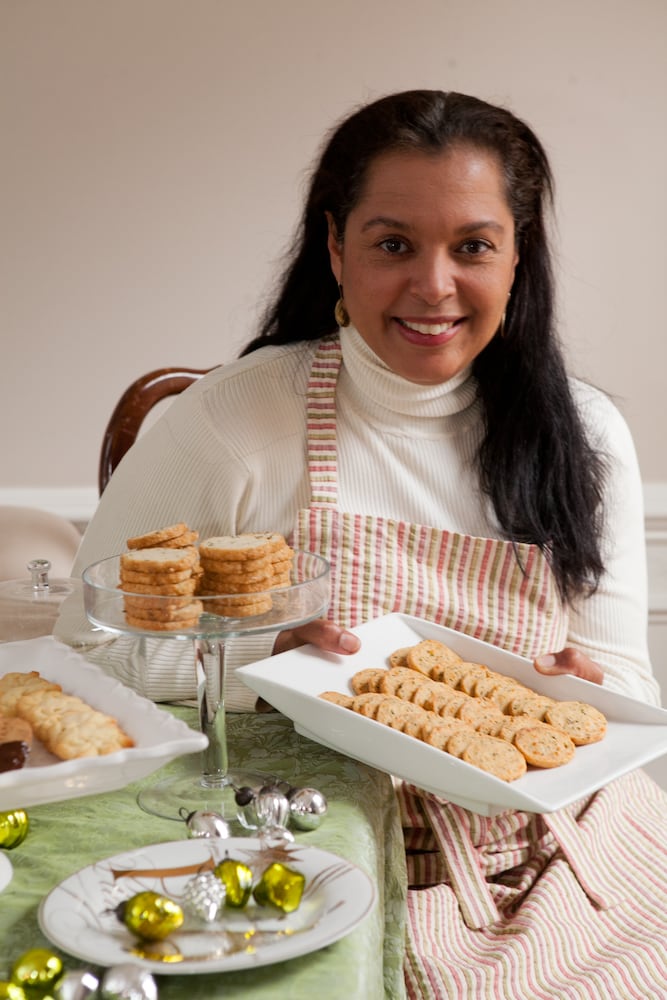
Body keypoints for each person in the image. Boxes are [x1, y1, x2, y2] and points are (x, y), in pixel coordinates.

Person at [56, 90, 667, 997]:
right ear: (335, 246)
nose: (432, 286)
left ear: (517, 256)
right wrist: (260, 657)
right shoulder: (233, 420)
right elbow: (88, 653)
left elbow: (624, 691)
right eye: (392, 244)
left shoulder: (586, 434)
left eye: (472, 246)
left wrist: (578, 688)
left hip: (566, 853)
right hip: (323, 852)